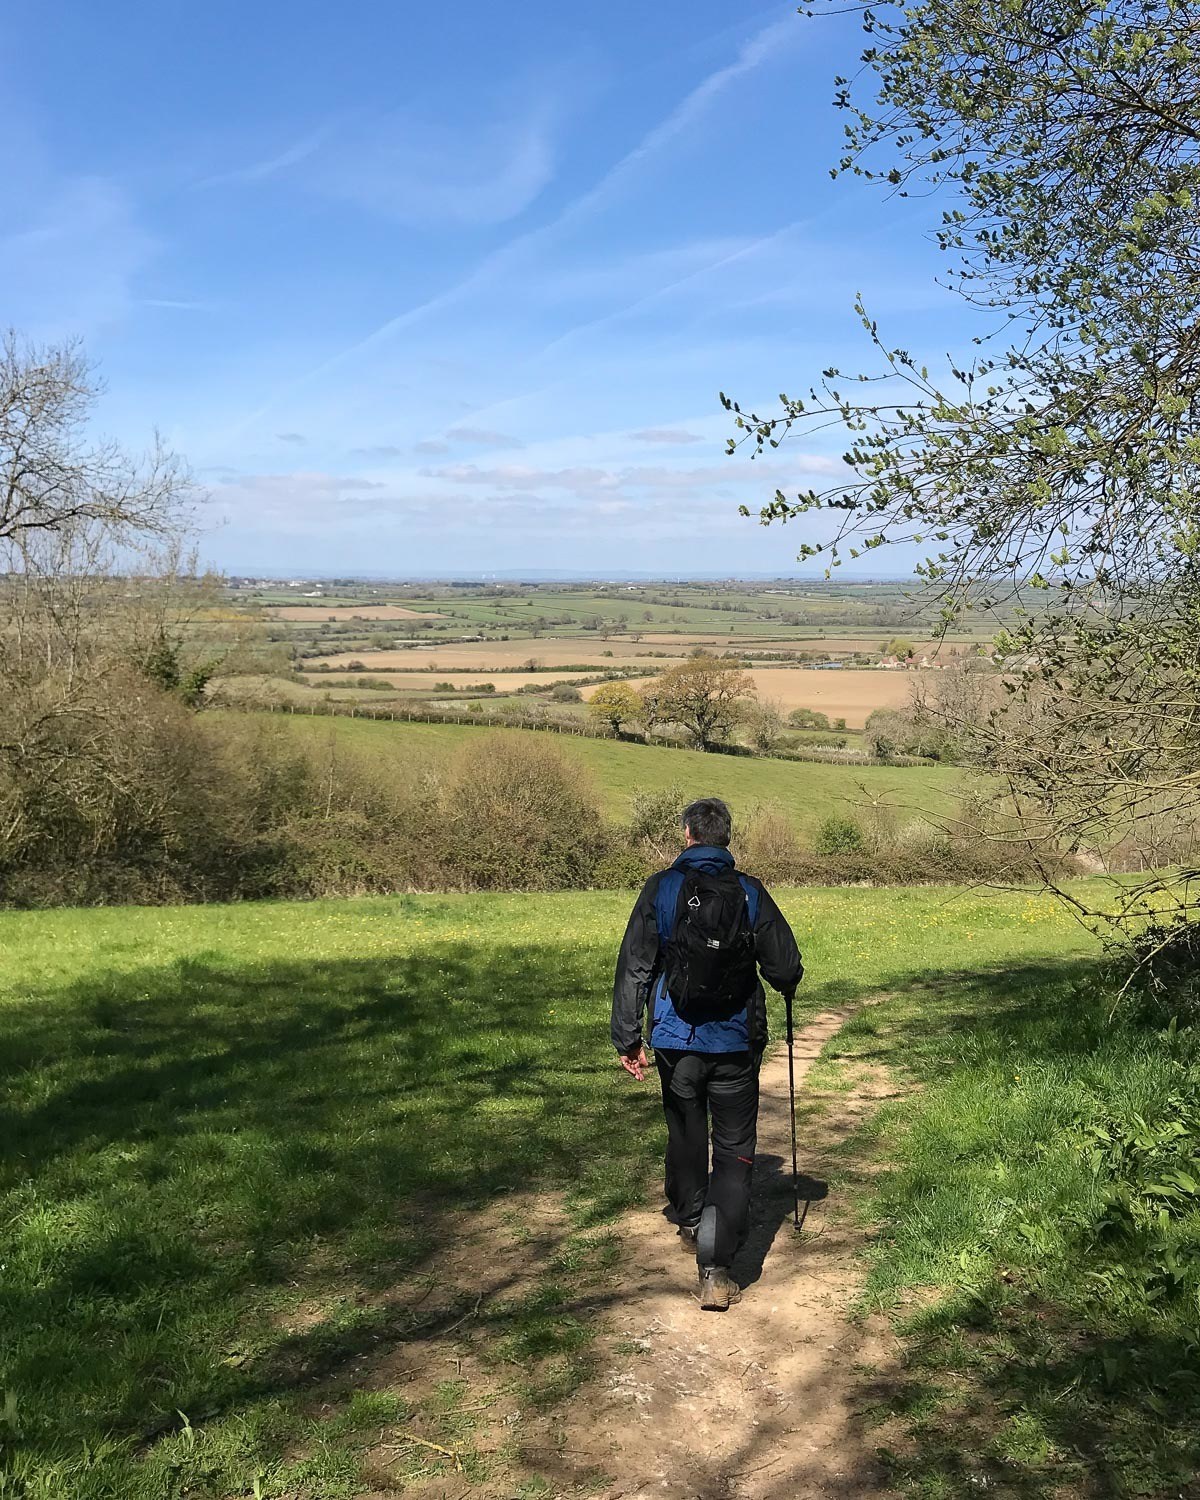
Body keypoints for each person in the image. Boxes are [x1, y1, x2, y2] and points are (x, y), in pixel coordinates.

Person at [611, 797, 803, 1311]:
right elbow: (784, 968)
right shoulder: (749, 890)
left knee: (686, 1130)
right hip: (736, 1041)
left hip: (676, 1041)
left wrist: (628, 1037)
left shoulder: (662, 888)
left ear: (689, 835)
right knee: (736, 1147)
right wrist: (781, 981)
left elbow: (635, 965)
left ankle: (692, 1218)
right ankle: (716, 1269)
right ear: (726, 837)